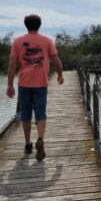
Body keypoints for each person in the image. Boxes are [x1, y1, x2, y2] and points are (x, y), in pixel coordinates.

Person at [7, 14, 64, 161]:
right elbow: (56, 60)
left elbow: (12, 65)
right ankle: (40, 139)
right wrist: (60, 74)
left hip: (24, 84)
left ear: (26, 25)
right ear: (39, 25)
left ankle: (28, 144)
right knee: (41, 114)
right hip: (41, 83)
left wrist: (9, 84)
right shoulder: (47, 41)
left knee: (26, 114)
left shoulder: (17, 41)